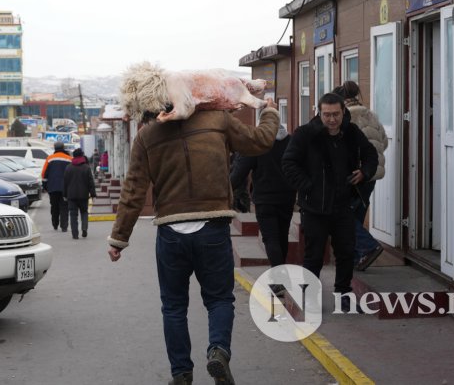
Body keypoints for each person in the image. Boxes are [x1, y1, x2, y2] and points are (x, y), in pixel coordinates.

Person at [108, 97, 280, 385]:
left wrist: (119, 238)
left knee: (174, 306)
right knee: (219, 299)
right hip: (212, 226)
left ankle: (181, 373)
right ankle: (218, 351)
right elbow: (260, 141)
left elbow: (134, 188)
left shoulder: (146, 136)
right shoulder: (217, 120)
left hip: (171, 231)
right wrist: (270, 112)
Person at [281, 92, 378, 312]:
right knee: (314, 255)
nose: (332, 119)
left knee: (346, 251)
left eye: (336, 114)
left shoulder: (351, 132)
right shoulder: (305, 134)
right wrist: (308, 186)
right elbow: (288, 163)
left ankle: (343, 295)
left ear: (343, 112)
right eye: (327, 115)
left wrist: (364, 172)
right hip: (314, 207)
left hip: (344, 205)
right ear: (319, 113)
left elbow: (371, 154)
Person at [333, 81, 388, 271]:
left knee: (342, 216)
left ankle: (368, 246)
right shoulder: (371, 115)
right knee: (356, 213)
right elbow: (384, 142)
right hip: (371, 175)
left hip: (355, 175)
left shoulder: (346, 119)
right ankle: (358, 258)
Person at [230, 124, 296, 271]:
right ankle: (280, 272)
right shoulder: (291, 141)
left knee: (271, 238)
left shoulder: (258, 145)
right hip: (287, 197)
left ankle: (279, 278)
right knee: (282, 235)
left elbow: (239, 173)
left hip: (264, 199)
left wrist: (224, 191)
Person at [63, 148, 97, 239]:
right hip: (83, 195)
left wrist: (64, 195)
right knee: (84, 212)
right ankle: (84, 228)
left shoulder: (68, 167)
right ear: (82, 156)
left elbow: (65, 183)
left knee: (73, 214)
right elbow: (91, 182)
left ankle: (75, 234)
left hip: (71, 196)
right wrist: (93, 194)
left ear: (73, 156)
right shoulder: (86, 167)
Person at [41, 141, 72, 232]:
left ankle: (55, 224)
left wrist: (45, 186)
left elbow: (43, 174)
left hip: (52, 188)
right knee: (64, 206)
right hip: (65, 188)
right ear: (63, 148)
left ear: (55, 148)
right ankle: (64, 226)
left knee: (54, 206)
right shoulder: (69, 159)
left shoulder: (49, 158)